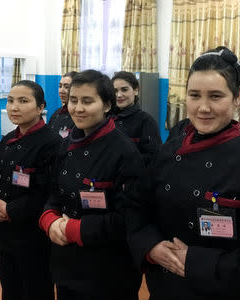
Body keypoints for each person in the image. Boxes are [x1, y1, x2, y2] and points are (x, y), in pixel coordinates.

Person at [126, 46, 240, 300]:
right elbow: (137, 208)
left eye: (215, 96)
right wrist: (151, 246)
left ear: (237, 97)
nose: (203, 108)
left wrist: (195, 261)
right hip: (165, 289)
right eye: (194, 95)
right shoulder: (168, 152)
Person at [39, 70, 143, 300]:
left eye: (87, 101)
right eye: (74, 100)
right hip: (66, 262)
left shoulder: (124, 152)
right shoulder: (65, 145)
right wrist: (49, 220)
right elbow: (54, 194)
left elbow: (129, 218)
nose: (77, 108)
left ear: (107, 105)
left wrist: (73, 229)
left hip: (108, 270)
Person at [0, 80, 60, 300]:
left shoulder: (51, 143)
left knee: (36, 289)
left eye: (23, 101)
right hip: (4, 231)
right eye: (10, 101)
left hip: (33, 234)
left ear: (40, 107)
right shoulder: (7, 139)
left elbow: (49, 191)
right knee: (10, 288)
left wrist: (11, 209)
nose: (14, 107)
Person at [112, 71, 161, 164]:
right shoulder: (106, 118)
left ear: (136, 90)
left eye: (124, 89)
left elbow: (154, 157)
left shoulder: (146, 121)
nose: (119, 95)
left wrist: (124, 162)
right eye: (115, 91)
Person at [48, 71, 77, 138]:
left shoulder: (80, 115)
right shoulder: (57, 113)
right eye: (60, 86)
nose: (61, 91)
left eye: (66, 87)